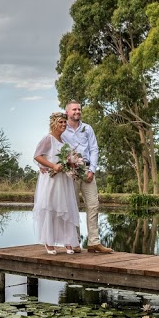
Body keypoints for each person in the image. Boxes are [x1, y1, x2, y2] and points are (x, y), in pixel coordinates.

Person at [62, 100, 113, 253]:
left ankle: (93, 242)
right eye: (74, 109)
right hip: (70, 171)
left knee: (93, 205)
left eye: (79, 109)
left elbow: (94, 149)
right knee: (72, 207)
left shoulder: (87, 128)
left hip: (87, 169)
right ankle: (74, 242)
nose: (77, 112)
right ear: (67, 112)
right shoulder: (62, 129)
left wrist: (92, 170)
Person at [32, 112, 80, 254]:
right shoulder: (48, 139)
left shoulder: (64, 142)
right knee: (51, 207)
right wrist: (53, 166)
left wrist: (72, 164)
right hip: (51, 180)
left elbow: (68, 158)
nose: (63, 125)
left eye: (65, 122)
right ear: (54, 123)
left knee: (65, 208)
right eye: (60, 122)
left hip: (63, 180)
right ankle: (49, 242)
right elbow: (37, 156)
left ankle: (68, 241)